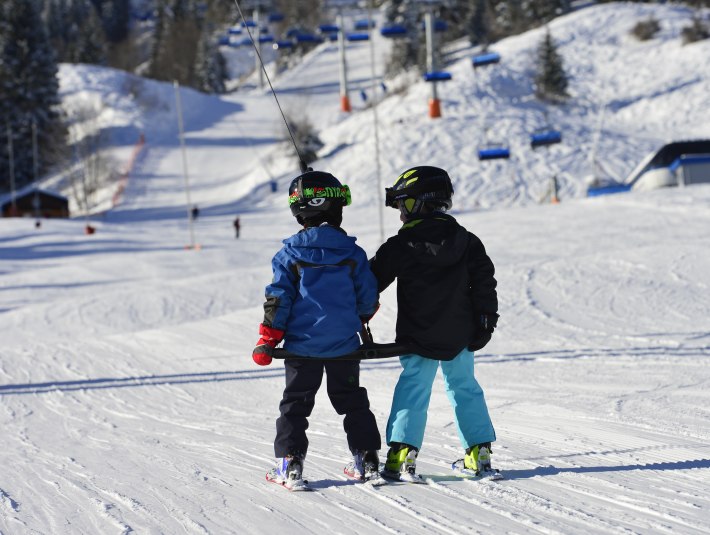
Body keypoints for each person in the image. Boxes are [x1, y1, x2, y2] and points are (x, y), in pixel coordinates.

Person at [369, 166, 500, 481]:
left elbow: (368, 282)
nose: (400, 213)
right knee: (464, 387)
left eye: (403, 204)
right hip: (460, 334)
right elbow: (485, 283)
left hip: (418, 337)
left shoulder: (400, 245)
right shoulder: (467, 242)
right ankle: (478, 453)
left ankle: (401, 453)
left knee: (414, 386)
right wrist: (486, 321)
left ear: (417, 203)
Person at [253, 170, 382, 490]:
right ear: (336, 209)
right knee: (352, 400)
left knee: (295, 404)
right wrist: (359, 317)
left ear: (299, 212)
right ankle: (366, 458)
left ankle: (290, 463)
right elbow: (368, 297)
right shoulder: (352, 253)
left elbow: (279, 299)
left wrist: (268, 338)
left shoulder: (289, 255)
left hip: (301, 348)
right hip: (343, 345)